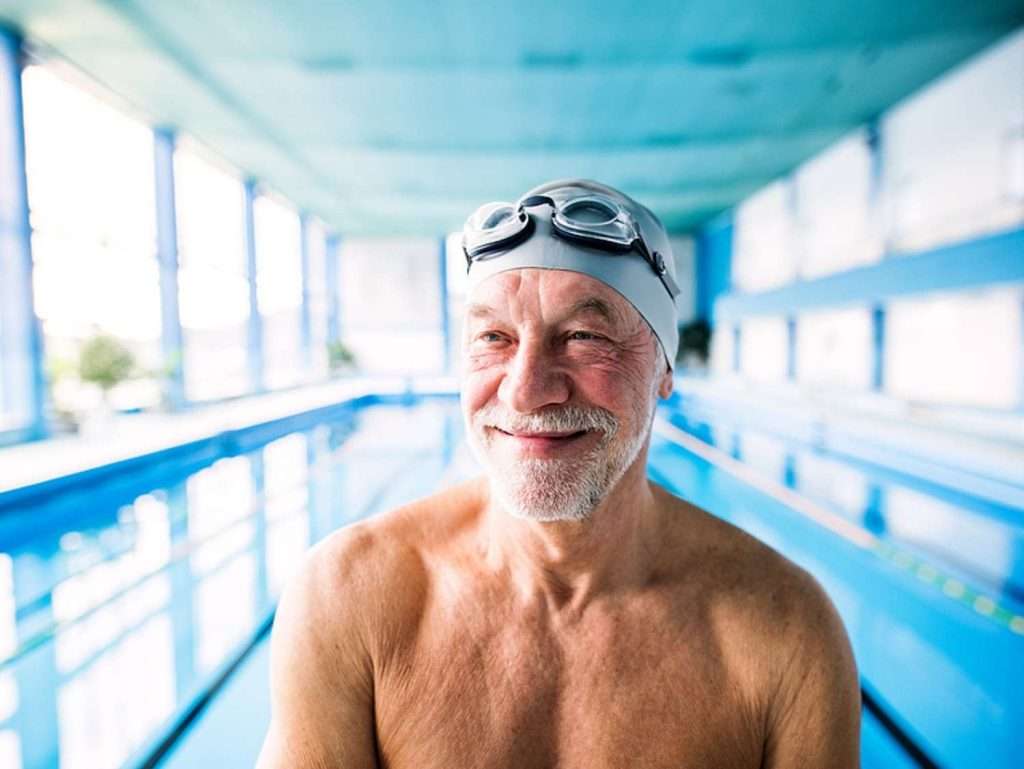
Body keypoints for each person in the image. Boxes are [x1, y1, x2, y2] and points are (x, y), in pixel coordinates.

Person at [255, 179, 861, 768]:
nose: (525, 391)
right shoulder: (352, 597)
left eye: (582, 336)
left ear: (665, 369)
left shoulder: (785, 631)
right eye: (494, 337)